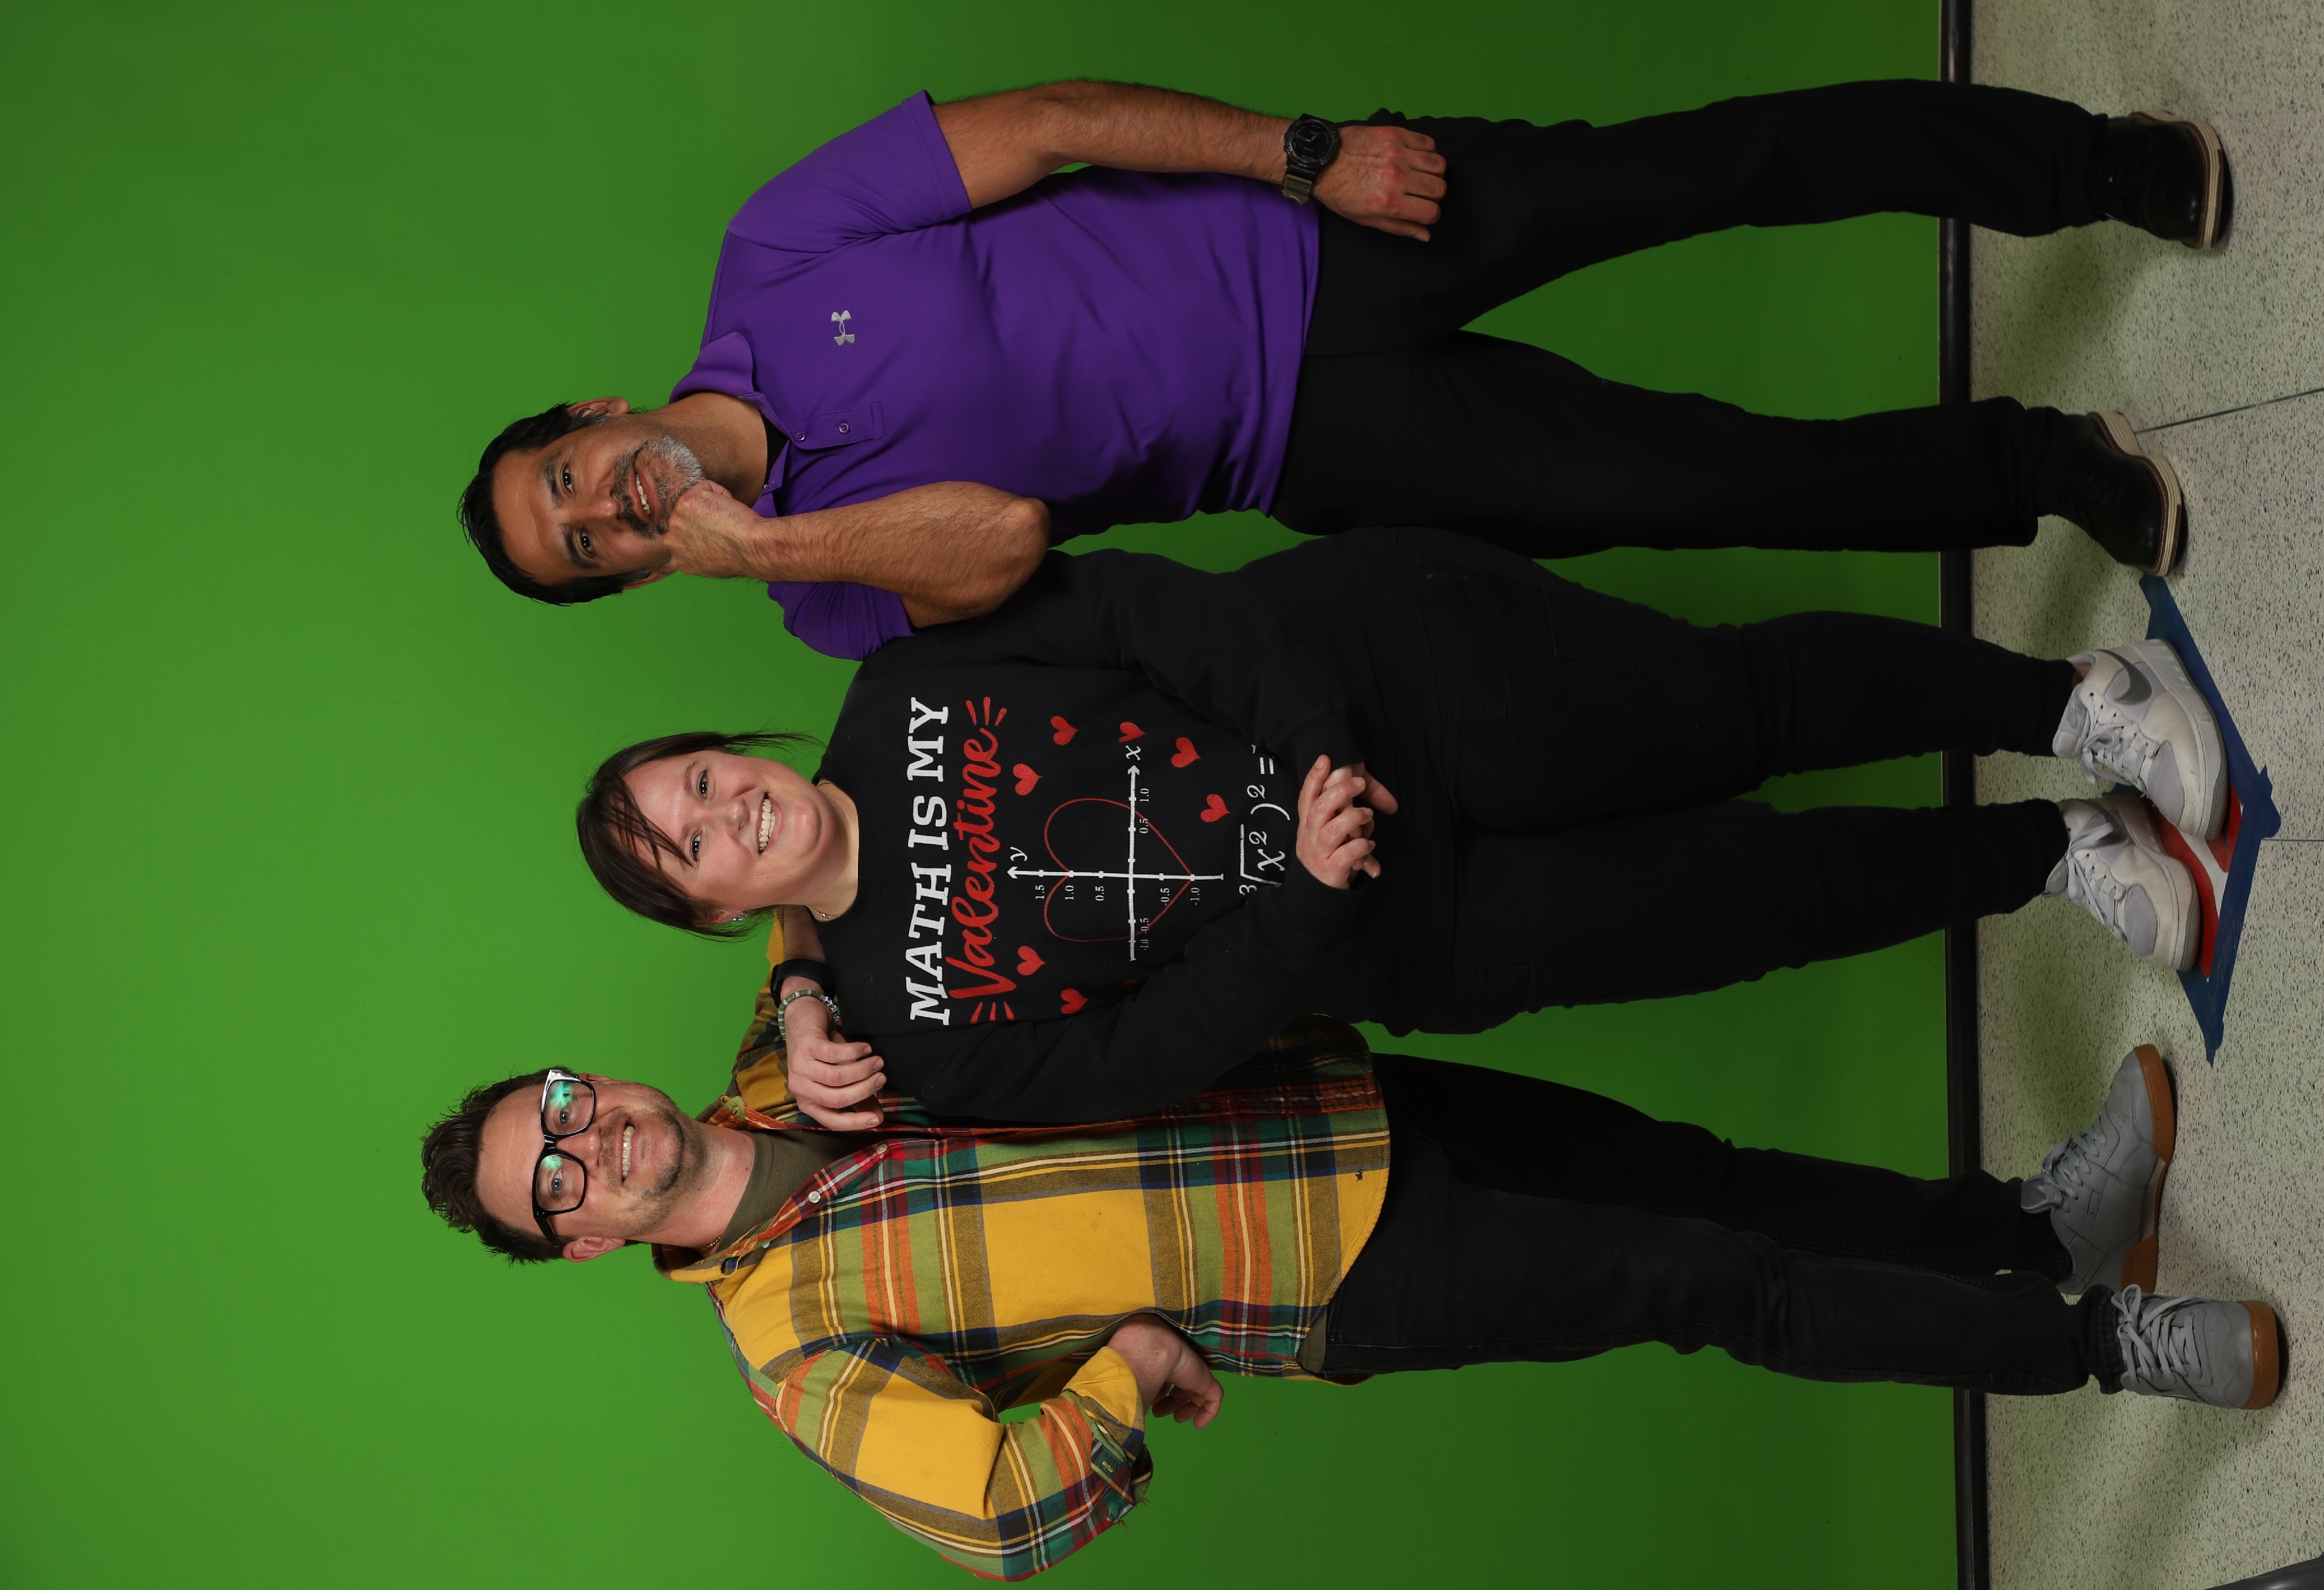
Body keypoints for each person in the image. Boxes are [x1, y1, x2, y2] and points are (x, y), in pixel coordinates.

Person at [418, 1013, 2285, 1581]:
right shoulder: (782, 1346)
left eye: (562, 1104)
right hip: (1338, 1271)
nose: (593, 1142)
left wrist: (810, 989)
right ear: (583, 1244)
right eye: (554, 1178)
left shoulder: (781, 1050)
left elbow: (829, 871)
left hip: (1325, 1103)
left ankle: (2031, 1230)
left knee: (1701, 1174)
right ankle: (2103, 1344)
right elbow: (993, 1512)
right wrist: (1124, 1371)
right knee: (1725, 1285)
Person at [455, 78, 2225, 658]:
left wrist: (1307, 157)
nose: (608, 512)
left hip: (1328, 234)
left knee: (1716, 167)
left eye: (569, 484)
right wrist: (768, 542)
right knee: (1710, 487)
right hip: (1319, 442)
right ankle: (2044, 467)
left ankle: (2090, 166)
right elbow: (1002, 540)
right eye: (591, 553)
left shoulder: (776, 251)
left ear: (594, 414)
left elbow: (1055, 122)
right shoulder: (819, 598)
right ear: (637, 577)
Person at [570, 527, 2225, 1126]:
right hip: (1406, 929)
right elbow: (1137, 1060)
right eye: (693, 844)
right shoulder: (907, 1033)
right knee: (1760, 901)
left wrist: (1312, 752)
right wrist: (1304, 889)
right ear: (716, 911)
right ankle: (2054, 854)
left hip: (1397, 678)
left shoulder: (899, 685)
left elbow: (1141, 606)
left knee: (1741, 707)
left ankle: (2066, 702)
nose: (728, 809)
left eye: (697, 777)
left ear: (725, 748)